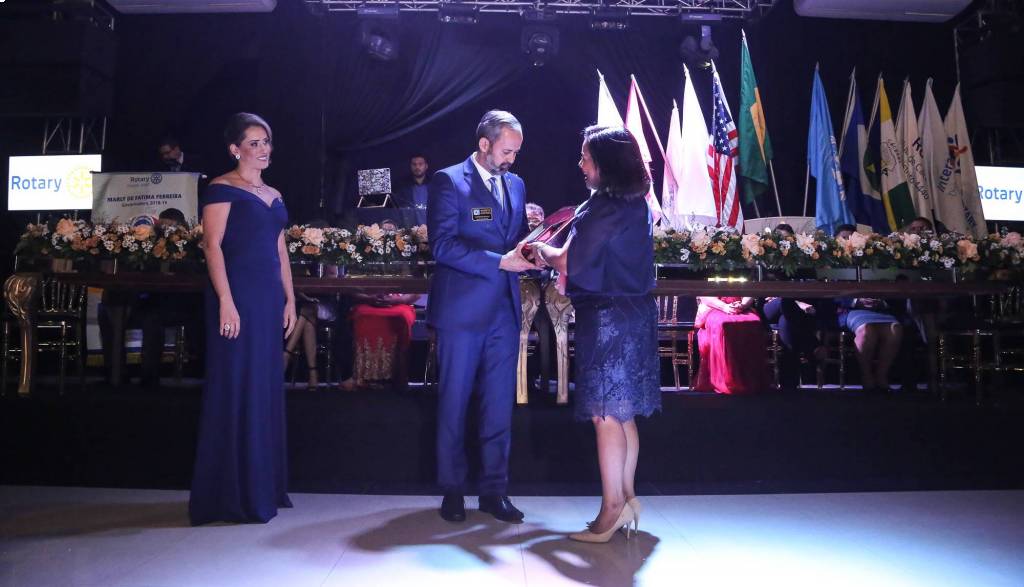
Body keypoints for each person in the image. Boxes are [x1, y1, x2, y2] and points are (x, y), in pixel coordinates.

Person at [531, 126, 660, 543]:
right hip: (634, 314)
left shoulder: (603, 207)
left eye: (586, 157)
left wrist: (540, 250)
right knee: (623, 413)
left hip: (608, 318)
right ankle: (628, 498)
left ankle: (611, 510)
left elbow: (570, 262)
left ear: (605, 163)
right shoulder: (636, 202)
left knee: (605, 414)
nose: (581, 163)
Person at [428, 110, 537, 524]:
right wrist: (500, 262)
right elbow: (442, 246)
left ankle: (494, 491)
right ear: (484, 144)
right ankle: (453, 490)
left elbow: (516, 239)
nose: (512, 160)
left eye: (516, 152)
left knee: (498, 406)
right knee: (454, 403)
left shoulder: (516, 183)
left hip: (504, 313)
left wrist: (535, 250)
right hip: (460, 313)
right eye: (507, 151)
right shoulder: (449, 181)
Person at [189, 113, 296, 525]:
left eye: (266, 141)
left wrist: (290, 299)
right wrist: (225, 301)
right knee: (235, 386)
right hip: (237, 297)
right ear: (235, 149)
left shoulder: (274, 193)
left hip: (268, 300)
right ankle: (230, 493)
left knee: (263, 386)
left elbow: (280, 251)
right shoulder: (221, 188)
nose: (263, 149)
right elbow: (212, 247)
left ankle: (262, 485)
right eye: (254, 143)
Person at [694, 296, 770, 394]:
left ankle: (750, 380)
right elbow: (706, 296)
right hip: (715, 308)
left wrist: (742, 305)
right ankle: (727, 380)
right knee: (723, 324)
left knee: (754, 322)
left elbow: (749, 292)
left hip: (740, 308)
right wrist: (725, 307)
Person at [838, 297, 903, 393]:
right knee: (866, 331)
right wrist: (857, 301)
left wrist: (882, 302)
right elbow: (833, 295)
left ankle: (881, 375)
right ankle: (866, 375)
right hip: (852, 310)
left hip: (882, 311)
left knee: (895, 330)